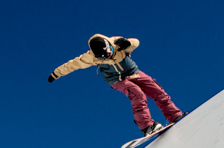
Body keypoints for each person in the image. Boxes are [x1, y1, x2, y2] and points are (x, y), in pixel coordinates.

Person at [48, 34, 184, 137]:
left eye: (107, 55)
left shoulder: (118, 43)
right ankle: (147, 126)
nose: (105, 58)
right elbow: (71, 65)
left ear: (110, 47)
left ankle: (174, 114)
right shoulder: (90, 57)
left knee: (157, 90)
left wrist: (127, 42)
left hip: (133, 72)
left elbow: (136, 43)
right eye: (101, 58)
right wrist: (55, 74)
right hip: (116, 80)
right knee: (137, 93)